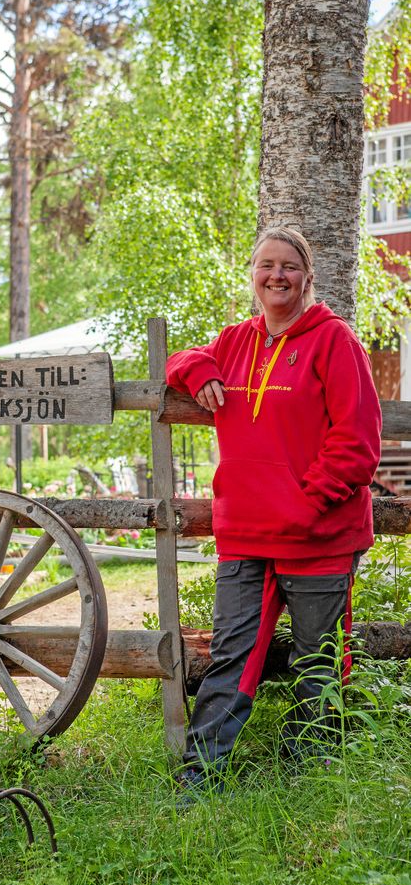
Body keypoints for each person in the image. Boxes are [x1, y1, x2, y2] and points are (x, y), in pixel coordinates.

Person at [165, 226, 381, 797]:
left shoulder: (335, 342)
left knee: (318, 659)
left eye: (289, 266)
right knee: (231, 652)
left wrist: (306, 504)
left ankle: (308, 777)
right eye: (267, 265)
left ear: (308, 276)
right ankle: (200, 776)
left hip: (319, 535)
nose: (277, 276)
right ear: (253, 275)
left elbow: (357, 443)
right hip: (246, 535)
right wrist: (198, 370)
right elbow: (179, 359)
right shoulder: (235, 341)